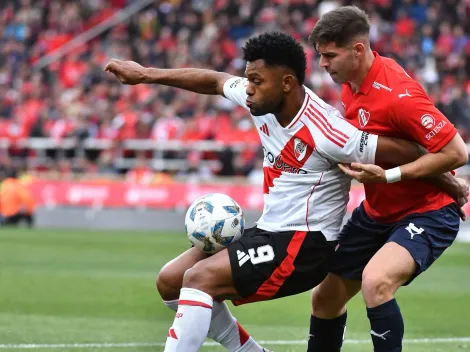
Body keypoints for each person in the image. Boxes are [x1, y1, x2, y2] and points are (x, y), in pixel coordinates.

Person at [104, 32, 466, 352]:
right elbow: (214, 81)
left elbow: (403, 150)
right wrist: (146, 75)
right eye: (248, 79)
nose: (248, 88)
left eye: (256, 81)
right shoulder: (259, 100)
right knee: (170, 281)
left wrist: (447, 180)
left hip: (305, 245)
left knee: (199, 280)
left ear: (287, 83)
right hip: (270, 231)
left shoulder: (329, 130)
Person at [307, 6, 469, 352]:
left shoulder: (398, 95)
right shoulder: (351, 83)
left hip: (428, 211)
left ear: (358, 50)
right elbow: (397, 146)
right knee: (325, 299)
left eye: (329, 56)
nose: (323, 64)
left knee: (376, 283)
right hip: (377, 213)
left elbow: (457, 153)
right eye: (320, 56)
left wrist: (390, 175)